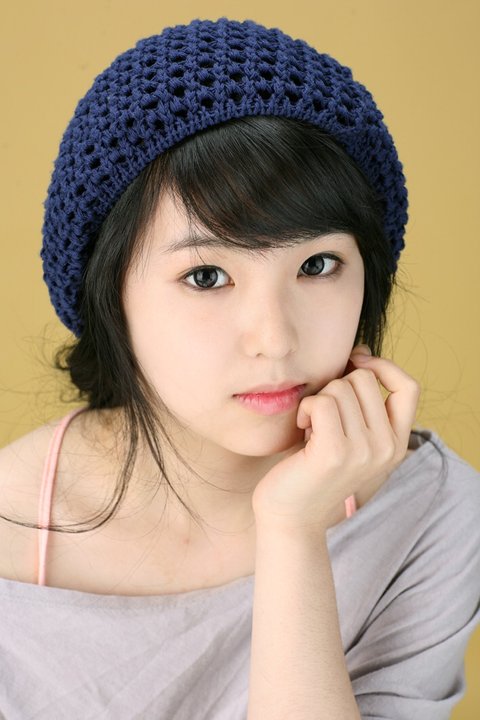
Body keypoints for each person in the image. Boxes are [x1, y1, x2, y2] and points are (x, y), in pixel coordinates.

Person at [0, 15, 478, 720]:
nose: (275, 340)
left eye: (318, 265)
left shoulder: (431, 513)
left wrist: (292, 532)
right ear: (112, 296)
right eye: (206, 277)